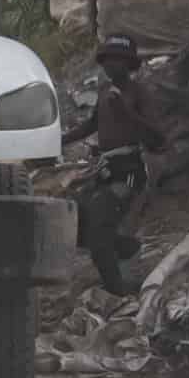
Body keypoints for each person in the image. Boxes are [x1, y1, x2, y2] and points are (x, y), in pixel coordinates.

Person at [63, 34, 166, 294]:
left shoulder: (139, 93)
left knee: (98, 229)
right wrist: (57, 139)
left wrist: (126, 112)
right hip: (104, 171)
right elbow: (91, 124)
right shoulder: (104, 92)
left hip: (128, 172)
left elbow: (158, 138)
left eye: (118, 60)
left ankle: (118, 288)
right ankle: (127, 247)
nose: (111, 65)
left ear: (129, 64)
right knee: (72, 220)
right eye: (107, 59)